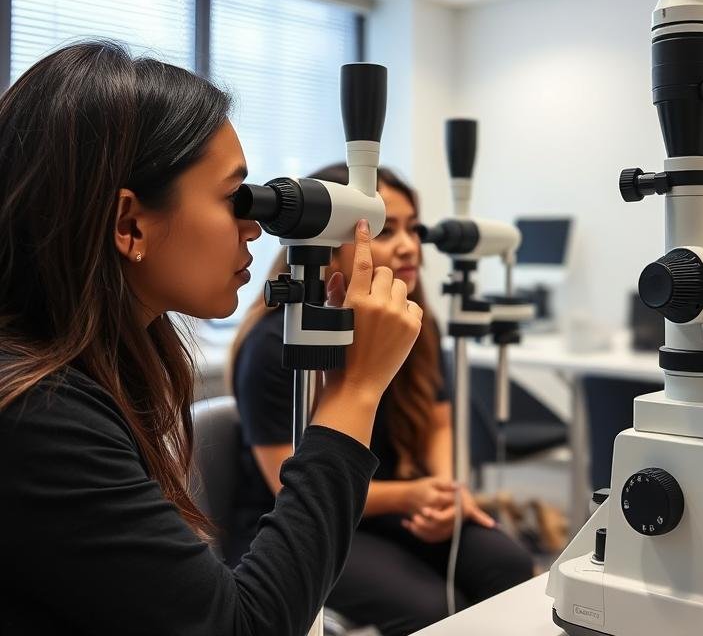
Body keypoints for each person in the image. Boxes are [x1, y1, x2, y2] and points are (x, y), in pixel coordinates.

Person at [0, 41, 422, 635]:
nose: (255, 225)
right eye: (234, 198)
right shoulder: (36, 416)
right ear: (130, 223)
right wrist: (354, 392)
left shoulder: (100, 370)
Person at [230, 163, 534, 636]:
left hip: (393, 505)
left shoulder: (414, 323)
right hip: (301, 521)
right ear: (326, 239)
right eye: (386, 230)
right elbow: (285, 484)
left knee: (508, 563)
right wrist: (413, 495)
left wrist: (445, 491)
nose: (410, 245)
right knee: (430, 606)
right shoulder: (277, 343)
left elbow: (439, 422)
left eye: (413, 228)